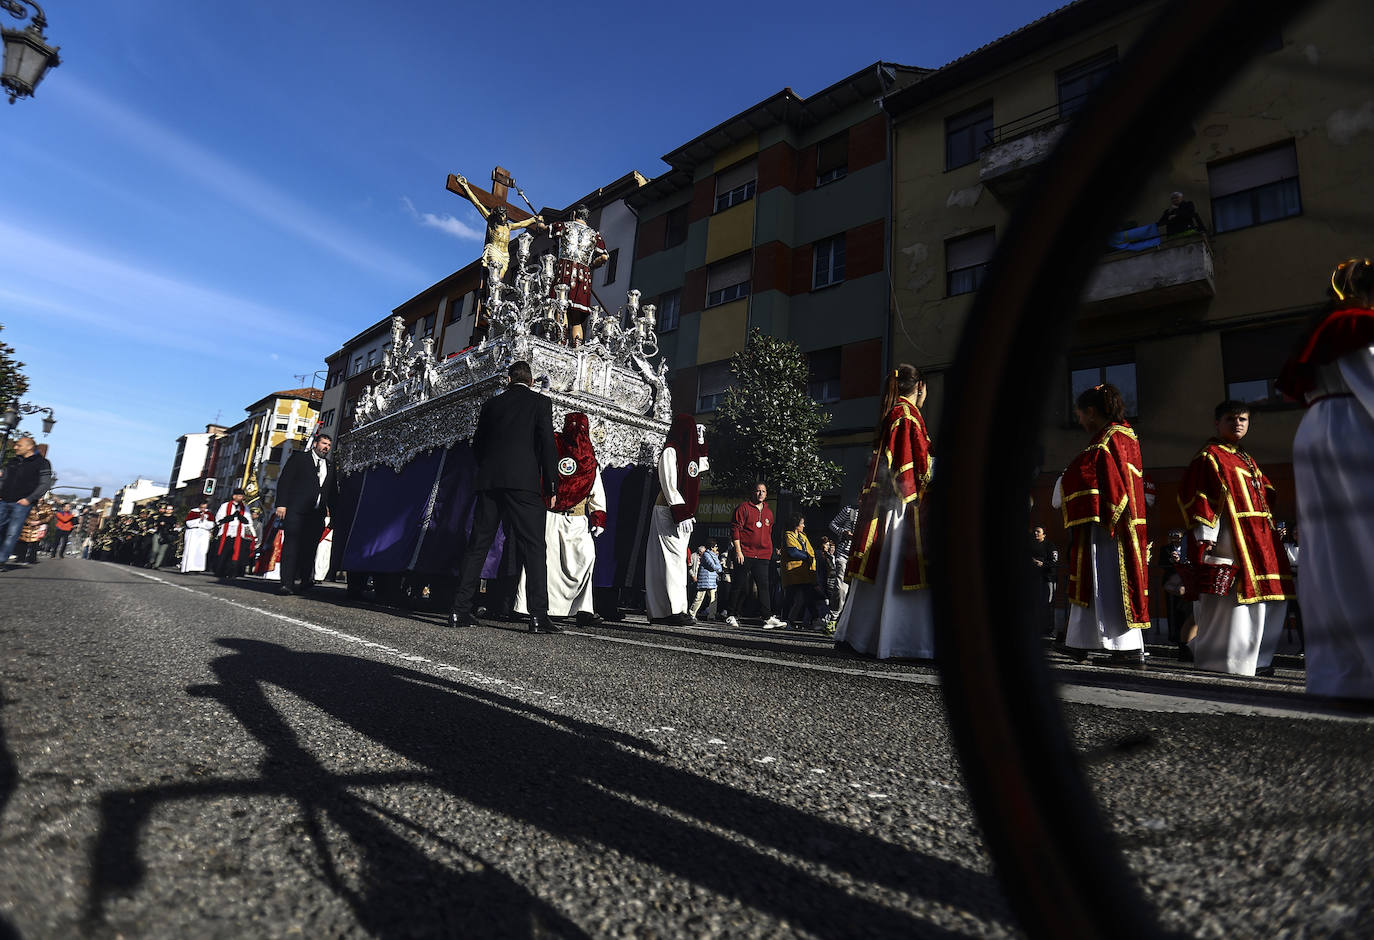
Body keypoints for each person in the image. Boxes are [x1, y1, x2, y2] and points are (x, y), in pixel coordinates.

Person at [1277, 257, 1374, 701]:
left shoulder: (1325, 327)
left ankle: (1341, 676)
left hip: (1317, 428)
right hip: (1355, 426)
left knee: (1329, 561)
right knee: (1364, 545)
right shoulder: (1359, 325)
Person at [1177, 401, 1294, 676]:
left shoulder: (1247, 459)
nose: (1238, 423)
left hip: (1260, 541)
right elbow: (1200, 498)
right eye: (1231, 419)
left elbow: (1268, 494)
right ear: (1217, 423)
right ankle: (1224, 662)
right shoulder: (1209, 456)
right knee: (1231, 605)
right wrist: (1206, 541)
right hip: (1230, 542)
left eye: (1242, 419)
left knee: (1268, 602)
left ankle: (1258, 660)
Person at [449, 360, 560, 634]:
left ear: (509, 380)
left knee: (478, 545)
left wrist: (488, 470)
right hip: (524, 483)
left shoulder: (491, 405)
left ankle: (459, 610)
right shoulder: (540, 403)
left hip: (490, 482)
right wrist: (552, 485)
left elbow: (478, 445)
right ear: (531, 381)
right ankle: (538, 616)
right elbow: (547, 443)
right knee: (534, 547)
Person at [834, 365, 936, 660]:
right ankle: (901, 642)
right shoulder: (907, 417)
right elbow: (912, 469)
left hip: (886, 505)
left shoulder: (893, 413)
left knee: (879, 573)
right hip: (903, 507)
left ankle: (859, 636)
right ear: (919, 388)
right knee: (897, 570)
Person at [1053, 384, 1149, 668]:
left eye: (1080, 415)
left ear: (1092, 412)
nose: (1080, 421)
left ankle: (1126, 649)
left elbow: (1086, 477)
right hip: (1122, 524)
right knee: (1096, 583)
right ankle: (1080, 642)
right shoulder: (1126, 437)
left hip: (1109, 528)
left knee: (1108, 583)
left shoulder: (1107, 441)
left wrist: (1062, 482)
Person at [514, 412, 607, 626]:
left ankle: (583, 608)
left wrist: (598, 517)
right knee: (544, 564)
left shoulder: (590, 461)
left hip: (577, 520)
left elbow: (596, 491)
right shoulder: (551, 451)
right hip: (550, 516)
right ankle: (533, 606)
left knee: (587, 557)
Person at [452, 174, 544, 326]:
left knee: (499, 282)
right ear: (497, 215)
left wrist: (534, 219)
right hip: (494, 251)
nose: (503, 218)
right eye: (501, 215)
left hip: (505, 255)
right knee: (493, 280)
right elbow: (477, 203)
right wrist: (466, 187)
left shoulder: (508, 226)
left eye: (505, 215)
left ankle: (493, 303)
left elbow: (521, 224)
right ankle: (488, 307)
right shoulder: (491, 221)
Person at [645, 416, 708, 627]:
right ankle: (674, 609)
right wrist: (681, 512)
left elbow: (700, 468)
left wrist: (701, 442)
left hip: (682, 514)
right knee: (672, 561)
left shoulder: (687, 454)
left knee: (675, 561)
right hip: (669, 511)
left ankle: (665, 610)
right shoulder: (670, 451)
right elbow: (669, 484)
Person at [274, 434, 337, 596]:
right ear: (316, 444)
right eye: (324, 443)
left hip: (316, 514)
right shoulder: (299, 458)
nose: (326, 447)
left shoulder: (330, 466)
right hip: (296, 510)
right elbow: (285, 481)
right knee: (292, 545)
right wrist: (281, 504)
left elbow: (332, 493)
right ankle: (286, 584)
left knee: (310, 548)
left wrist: (334, 515)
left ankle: (304, 580)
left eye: (329, 445)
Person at [549, 204, 610, 347]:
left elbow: (546, 229)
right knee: (576, 319)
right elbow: (605, 257)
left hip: (565, 271)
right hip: (583, 276)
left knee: (561, 308)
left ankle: (560, 344)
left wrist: (539, 222)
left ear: (574, 214)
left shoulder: (564, 226)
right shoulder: (595, 235)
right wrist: (592, 265)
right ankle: (577, 349)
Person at [725, 483, 784, 629]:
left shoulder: (769, 512)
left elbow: (770, 531)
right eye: (758, 491)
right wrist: (738, 551)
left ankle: (767, 617)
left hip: (763, 554)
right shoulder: (743, 508)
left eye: (763, 491)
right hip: (745, 553)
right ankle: (730, 615)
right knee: (739, 584)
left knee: (764, 586)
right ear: (753, 492)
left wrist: (771, 550)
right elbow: (735, 530)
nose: (761, 494)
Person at [0, 433, 53, 569]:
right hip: (3, 499)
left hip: (22, 503)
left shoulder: (42, 463)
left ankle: (1, 560)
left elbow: (45, 484)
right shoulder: (13, 461)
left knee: (12, 532)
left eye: (19, 445)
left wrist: (29, 499)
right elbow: (4, 478)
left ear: (29, 447)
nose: (16, 447)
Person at [780, 514, 825, 631]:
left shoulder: (803, 536)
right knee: (791, 597)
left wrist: (810, 557)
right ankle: (785, 620)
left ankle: (814, 620)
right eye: (802, 523)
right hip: (792, 573)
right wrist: (807, 556)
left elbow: (809, 551)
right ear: (796, 525)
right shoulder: (788, 536)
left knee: (807, 596)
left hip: (804, 573)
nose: (804, 525)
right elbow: (793, 552)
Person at [212, 488, 257, 583]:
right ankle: (221, 571)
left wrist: (241, 517)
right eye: (240, 496)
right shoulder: (225, 506)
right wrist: (231, 517)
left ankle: (232, 572)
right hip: (227, 532)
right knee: (224, 552)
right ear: (234, 496)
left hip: (238, 533)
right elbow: (218, 519)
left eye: (242, 496)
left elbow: (248, 521)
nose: (241, 498)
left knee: (236, 553)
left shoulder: (245, 507)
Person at [1029, 525, 1059, 636]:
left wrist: (1042, 564)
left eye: (1038, 531)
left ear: (1044, 534)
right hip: (1035, 578)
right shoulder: (1031, 545)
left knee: (1048, 603)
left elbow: (1055, 562)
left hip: (1048, 578)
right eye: (1034, 531)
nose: (1035, 533)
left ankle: (1049, 628)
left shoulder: (1050, 545)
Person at [688, 539, 722, 621]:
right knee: (699, 598)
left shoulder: (713, 555)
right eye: (716, 546)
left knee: (713, 598)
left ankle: (711, 616)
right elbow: (713, 566)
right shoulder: (706, 555)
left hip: (712, 580)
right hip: (705, 580)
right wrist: (718, 567)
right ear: (711, 547)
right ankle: (691, 614)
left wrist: (718, 565)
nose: (717, 548)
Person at [181, 497, 215, 573]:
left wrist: (204, 521)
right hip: (193, 532)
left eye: (205, 507)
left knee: (201, 550)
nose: (203, 508)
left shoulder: (209, 514)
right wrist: (199, 519)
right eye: (202, 507)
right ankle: (188, 568)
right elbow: (188, 523)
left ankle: (198, 568)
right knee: (191, 550)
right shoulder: (193, 512)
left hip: (203, 533)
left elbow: (211, 525)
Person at [816, 536, 841, 625]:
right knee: (822, 601)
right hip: (823, 580)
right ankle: (820, 620)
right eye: (827, 545)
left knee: (826, 601)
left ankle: (823, 620)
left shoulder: (830, 556)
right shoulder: (820, 555)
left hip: (828, 581)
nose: (829, 547)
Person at [149, 503, 179, 569]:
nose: (168, 510)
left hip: (167, 535)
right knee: (154, 550)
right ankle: (151, 561)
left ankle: (156, 565)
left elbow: (173, 525)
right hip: (159, 534)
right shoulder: (161, 516)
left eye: (170, 509)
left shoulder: (174, 518)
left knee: (162, 551)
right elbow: (157, 524)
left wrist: (166, 524)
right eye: (167, 509)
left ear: (172, 510)